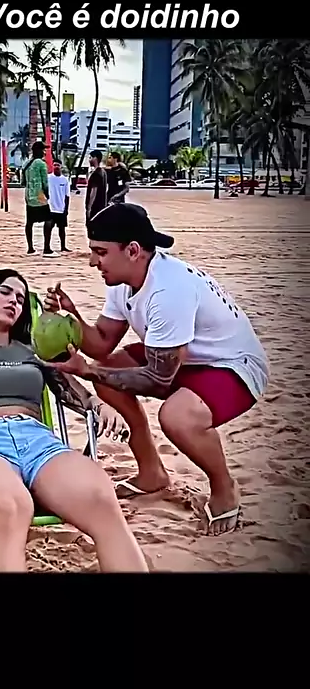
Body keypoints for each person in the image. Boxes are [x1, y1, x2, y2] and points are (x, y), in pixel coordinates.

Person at [43, 203, 270, 536]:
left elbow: (158, 379)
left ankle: (224, 487)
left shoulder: (168, 290)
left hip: (233, 365)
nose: (92, 261)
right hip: (185, 357)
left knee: (177, 417)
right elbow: (102, 343)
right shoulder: (123, 280)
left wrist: (89, 372)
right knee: (108, 372)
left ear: (133, 250)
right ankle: (151, 473)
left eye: (100, 252)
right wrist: (72, 315)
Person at [0, 268, 148, 573]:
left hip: (40, 443)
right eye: (5, 292)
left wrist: (99, 406)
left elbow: (79, 395)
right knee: (9, 508)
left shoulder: (34, 352)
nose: (14, 301)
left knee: (101, 501)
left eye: (20, 299)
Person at [22, 141, 53, 256]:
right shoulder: (41, 163)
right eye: (43, 150)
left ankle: (30, 248)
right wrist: (47, 195)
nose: (45, 152)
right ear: (39, 151)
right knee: (49, 220)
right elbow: (45, 182)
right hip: (39, 196)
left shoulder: (26, 163)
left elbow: (22, 182)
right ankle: (47, 248)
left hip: (28, 196)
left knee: (29, 222)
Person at [47, 159, 71, 253]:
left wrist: (66, 209)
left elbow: (67, 196)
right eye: (55, 165)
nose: (56, 167)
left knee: (62, 229)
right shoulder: (48, 178)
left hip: (61, 208)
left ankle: (63, 246)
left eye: (58, 165)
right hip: (50, 208)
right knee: (48, 228)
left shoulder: (65, 180)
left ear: (61, 167)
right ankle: (47, 246)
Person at [86, 150, 107, 223]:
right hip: (101, 206)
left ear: (95, 158)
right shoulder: (103, 172)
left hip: (95, 207)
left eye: (90, 158)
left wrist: (89, 207)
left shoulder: (96, 174)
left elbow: (93, 192)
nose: (89, 160)